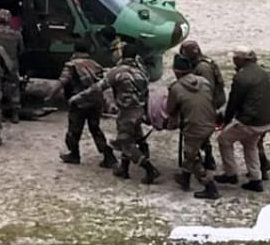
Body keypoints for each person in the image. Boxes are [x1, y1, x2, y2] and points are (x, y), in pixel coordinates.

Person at [72, 44, 158, 184]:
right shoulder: (142, 72)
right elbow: (147, 92)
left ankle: (149, 169)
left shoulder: (117, 72)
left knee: (125, 142)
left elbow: (97, 88)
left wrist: (78, 97)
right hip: (140, 110)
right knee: (131, 138)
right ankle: (123, 169)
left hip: (127, 112)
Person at [217, 46, 270, 192]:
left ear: (239, 59)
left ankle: (230, 174)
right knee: (250, 145)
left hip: (250, 121)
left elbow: (234, 102)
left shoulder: (241, 77)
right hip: (266, 119)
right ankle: (256, 178)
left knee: (224, 139)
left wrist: (226, 121)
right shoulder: (262, 72)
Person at [52, 41, 116, 167]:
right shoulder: (96, 64)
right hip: (95, 102)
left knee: (74, 130)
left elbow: (63, 81)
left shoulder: (71, 65)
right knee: (95, 129)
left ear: (75, 50)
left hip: (79, 102)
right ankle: (108, 156)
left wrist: (50, 95)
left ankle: (74, 154)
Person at [166, 54, 220, 200]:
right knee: (191, 152)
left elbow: (170, 109)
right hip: (210, 122)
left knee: (192, 156)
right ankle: (185, 178)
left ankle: (210, 187)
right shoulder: (204, 82)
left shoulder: (176, 88)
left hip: (193, 126)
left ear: (176, 71)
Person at [179, 41, 225, 170]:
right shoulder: (203, 63)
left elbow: (206, 89)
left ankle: (204, 159)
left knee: (198, 130)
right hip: (210, 102)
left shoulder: (203, 67)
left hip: (209, 103)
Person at [0, 9, 25, 123]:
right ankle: (15, 114)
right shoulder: (16, 34)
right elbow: (21, 50)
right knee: (14, 89)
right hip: (12, 65)